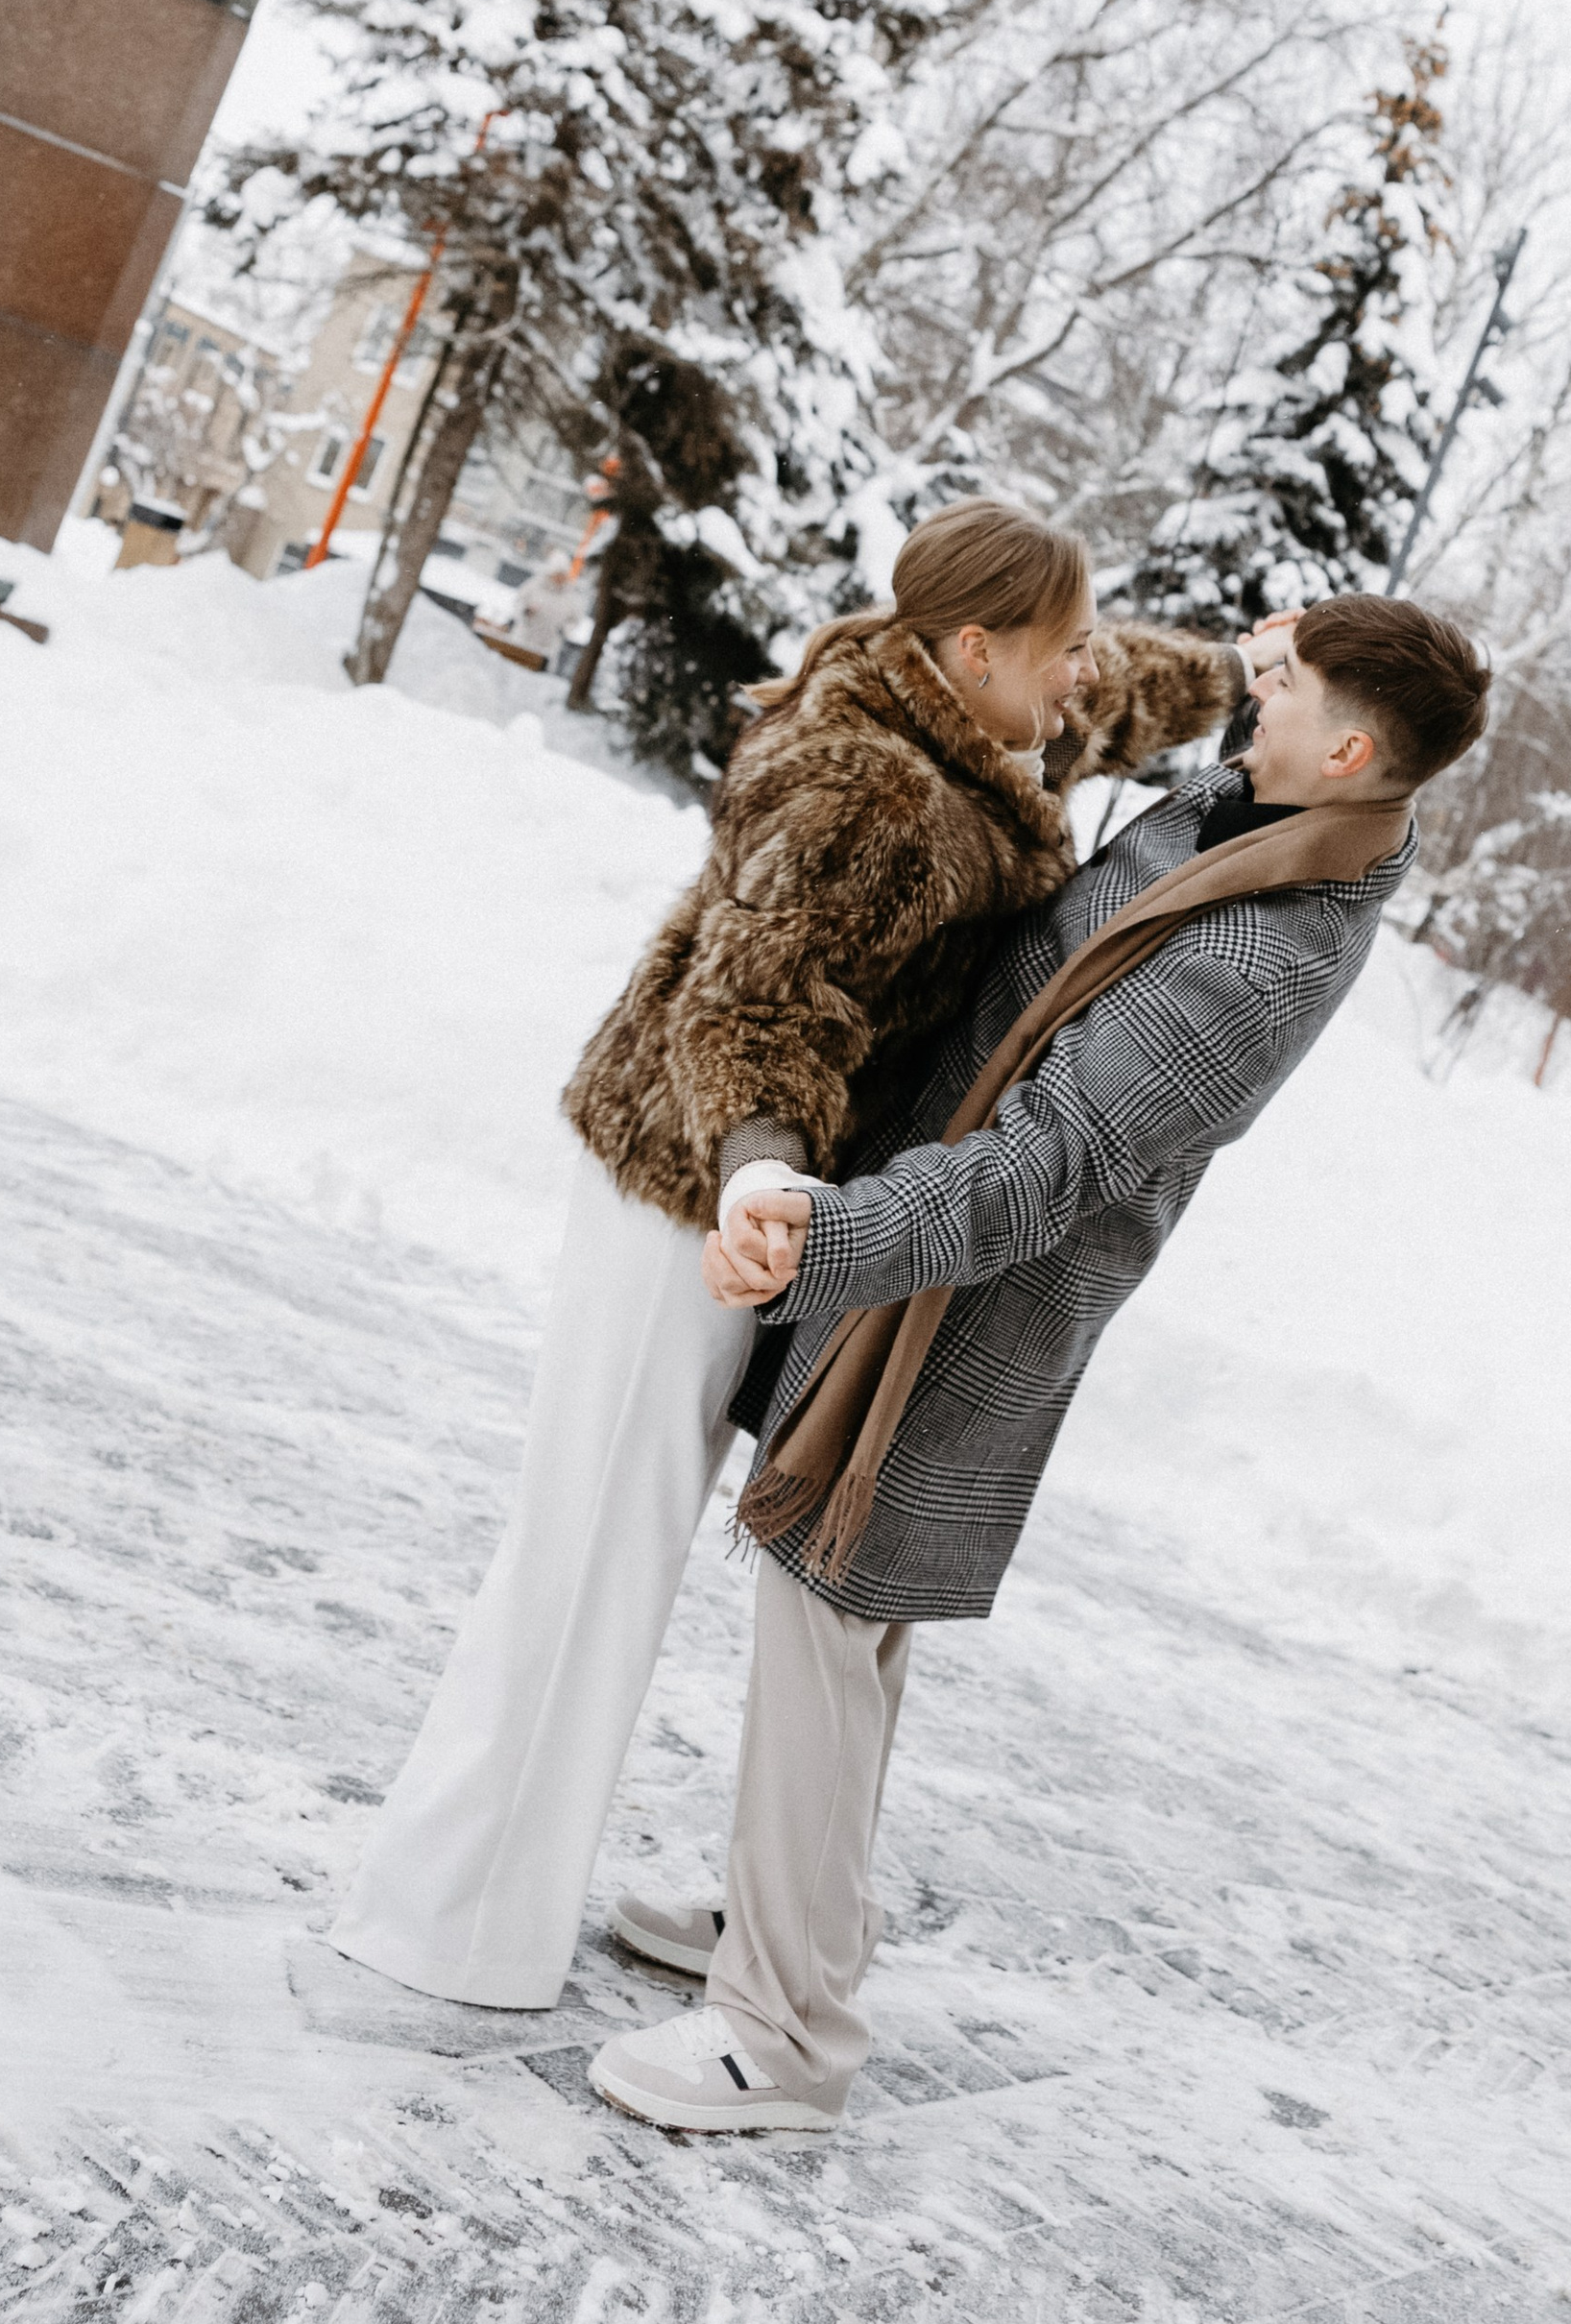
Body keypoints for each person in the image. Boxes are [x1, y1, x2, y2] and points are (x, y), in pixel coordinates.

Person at [585, 592, 1491, 2136]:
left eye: (1283, 687)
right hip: (928, 1249)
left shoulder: (1265, 954)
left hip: (970, 1292)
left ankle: (784, 2040)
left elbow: (1042, 1172)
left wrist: (828, 1236)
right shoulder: (1260, 817)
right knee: (847, 1622)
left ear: (1348, 748)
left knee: (827, 1607)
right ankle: (782, 1924)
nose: (1246, 696)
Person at [328, 502, 1248, 2012]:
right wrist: (762, 1174)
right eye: (1066, 646)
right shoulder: (866, 788)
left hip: (765, 1203)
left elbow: (1130, 686)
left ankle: (481, 1900)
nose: (1091, 676)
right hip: (690, 1182)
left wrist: (1249, 676)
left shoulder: (974, 714)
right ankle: (446, 1921)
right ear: (975, 648)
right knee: (595, 1542)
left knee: (621, 1535)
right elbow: (754, 1008)